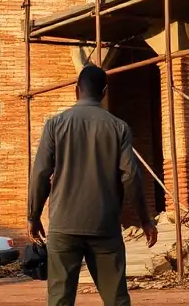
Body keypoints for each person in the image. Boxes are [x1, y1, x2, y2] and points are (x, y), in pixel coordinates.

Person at [28, 64, 158, 306]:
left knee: (59, 301)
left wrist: (33, 216)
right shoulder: (119, 127)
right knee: (117, 299)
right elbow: (131, 177)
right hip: (105, 228)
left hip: (64, 226)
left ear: (76, 90)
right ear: (105, 91)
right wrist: (145, 220)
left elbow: (41, 174)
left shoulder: (55, 125)